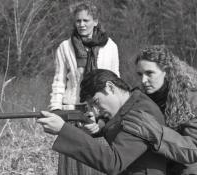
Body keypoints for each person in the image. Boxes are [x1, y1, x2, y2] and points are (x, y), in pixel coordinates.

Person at [38, 69, 168, 175]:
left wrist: (63, 129)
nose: (96, 111)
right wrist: (97, 130)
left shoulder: (141, 113)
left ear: (110, 87)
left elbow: (114, 162)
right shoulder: (134, 105)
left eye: (96, 102)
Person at [49, 2, 119, 175]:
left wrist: (111, 114)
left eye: (86, 20)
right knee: (72, 164)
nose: (81, 24)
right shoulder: (65, 47)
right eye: (78, 21)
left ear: (95, 21)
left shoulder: (110, 46)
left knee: (97, 159)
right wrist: (56, 109)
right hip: (72, 109)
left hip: (99, 111)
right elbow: (59, 81)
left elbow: (116, 81)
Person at [126, 45, 197, 175]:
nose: (143, 80)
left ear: (167, 72)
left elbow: (193, 150)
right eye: (140, 74)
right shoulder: (138, 97)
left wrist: (156, 133)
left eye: (149, 73)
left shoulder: (192, 100)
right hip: (156, 165)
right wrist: (99, 123)